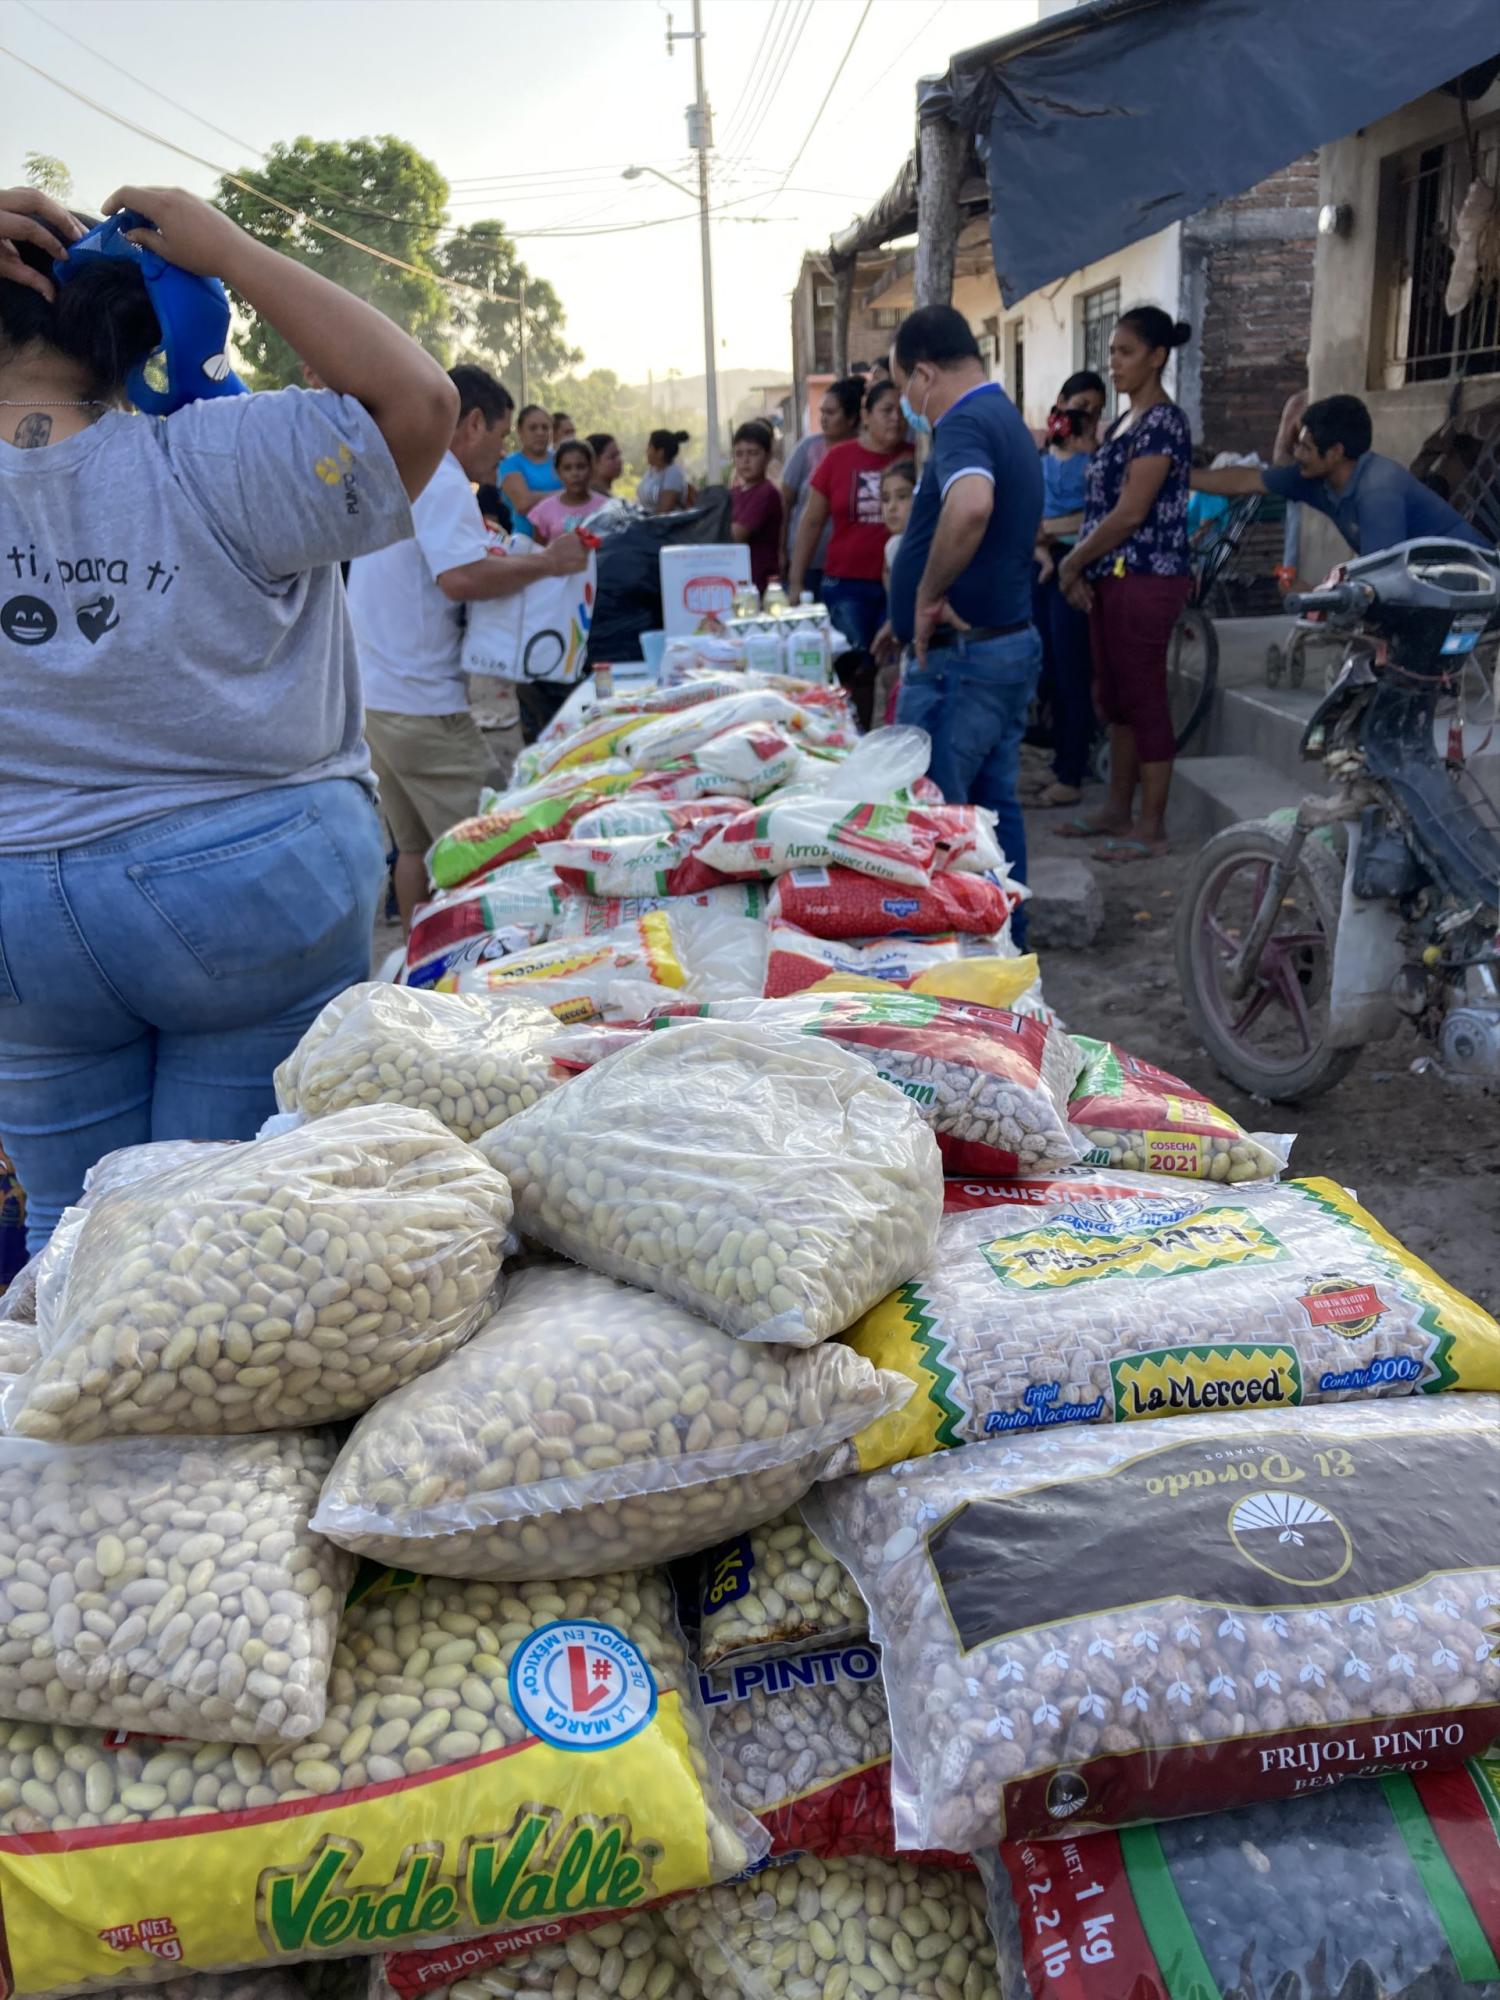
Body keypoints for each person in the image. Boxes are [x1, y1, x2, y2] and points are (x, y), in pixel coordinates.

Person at [0, 180, 459, 1251]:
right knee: (231, 1238)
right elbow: (420, 405)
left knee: (77, 1241)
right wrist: (238, 254)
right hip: (249, 883)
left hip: (18, 907)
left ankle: (70, 1405)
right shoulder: (225, 451)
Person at [347, 366, 587, 929]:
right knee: (494, 849)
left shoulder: (406, 470)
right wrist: (550, 563)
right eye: (503, 437)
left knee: (413, 850)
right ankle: (473, 978)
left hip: (376, 698)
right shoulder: (443, 477)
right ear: (472, 423)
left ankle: (420, 967)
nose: (502, 456)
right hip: (421, 704)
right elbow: (460, 578)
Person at [881, 305, 1044, 941]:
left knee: (940, 819)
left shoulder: (965, 422)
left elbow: (972, 506)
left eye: (903, 389)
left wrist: (925, 595)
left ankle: (962, 961)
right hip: (997, 646)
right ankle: (1007, 940)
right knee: (993, 812)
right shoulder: (1003, 416)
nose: (907, 405)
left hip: (964, 661)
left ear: (924, 373)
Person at [1057, 305, 1194, 863]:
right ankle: (1118, 808)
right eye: (1111, 351)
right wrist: (1083, 568)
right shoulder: (1122, 423)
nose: (1113, 362)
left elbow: (1130, 512)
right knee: (1112, 697)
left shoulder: (1163, 422)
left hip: (1146, 576)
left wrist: (1072, 563)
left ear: (1157, 357)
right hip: (1111, 578)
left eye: (1125, 351)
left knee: (1143, 698)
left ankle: (1152, 827)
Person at [1190, 391, 1490, 556]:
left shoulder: (1378, 491)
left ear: (1335, 452)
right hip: (1422, 575)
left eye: (1305, 448)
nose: (1296, 455)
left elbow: (1382, 575)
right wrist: (1181, 477)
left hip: (1466, 580)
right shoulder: (1314, 476)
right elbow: (1246, 480)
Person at [788, 377, 909, 649]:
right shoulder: (838, 457)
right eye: (887, 411)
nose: (896, 419)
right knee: (853, 664)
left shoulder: (915, 457)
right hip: (846, 586)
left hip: (900, 584)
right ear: (866, 416)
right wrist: (796, 582)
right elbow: (811, 522)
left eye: (902, 412)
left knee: (890, 664)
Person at [1032, 375, 1103, 808]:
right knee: (1049, 669)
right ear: (1060, 405)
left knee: (1073, 670)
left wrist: (1049, 529)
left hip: (1078, 567)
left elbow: (1098, 517)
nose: (1083, 418)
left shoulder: (1096, 462)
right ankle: (1060, 759)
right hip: (1041, 566)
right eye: (1078, 407)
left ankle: (1072, 771)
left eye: (1093, 411)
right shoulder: (1039, 461)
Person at [779, 376, 862, 593]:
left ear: (852, 418)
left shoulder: (863, 452)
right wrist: (781, 550)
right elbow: (785, 502)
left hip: (847, 566)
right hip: (805, 562)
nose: (823, 419)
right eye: (822, 412)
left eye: (831, 413)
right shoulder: (807, 448)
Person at [873, 457, 916, 725]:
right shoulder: (893, 546)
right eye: (886, 499)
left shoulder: (904, 548)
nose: (892, 508)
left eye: (902, 497)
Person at [728, 420, 783, 596]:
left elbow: (737, 535)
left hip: (760, 584)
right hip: (736, 581)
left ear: (767, 456)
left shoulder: (766, 492)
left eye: (753, 453)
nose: (745, 460)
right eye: (739, 454)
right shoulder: (734, 492)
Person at [497, 404, 561, 539]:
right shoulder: (510, 464)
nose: (540, 432)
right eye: (533, 428)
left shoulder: (562, 459)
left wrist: (535, 496)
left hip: (564, 539)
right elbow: (523, 504)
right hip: (526, 543)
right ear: (520, 431)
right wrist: (567, 494)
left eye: (545, 427)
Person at [529, 437, 610, 540]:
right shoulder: (544, 511)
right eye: (567, 468)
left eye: (581, 467)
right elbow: (538, 551)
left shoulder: (606, 508)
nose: (574, 473)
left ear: (591, 468)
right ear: (558, 472)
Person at [637, 428, 689, 513]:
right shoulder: (651, 471)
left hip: (666, 524)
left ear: (660, 452)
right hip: (648, 521)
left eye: (650, 447)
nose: (646, 451)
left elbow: (663, 511)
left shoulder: (673, 473)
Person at [587, 430, 623, 496]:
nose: (619, 460)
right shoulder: (590, 498)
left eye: (619, 455)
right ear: (594, 462)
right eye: (612, 457)